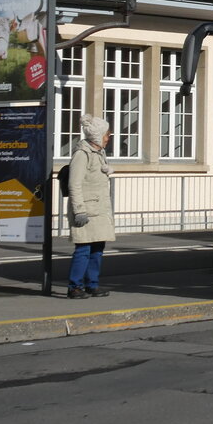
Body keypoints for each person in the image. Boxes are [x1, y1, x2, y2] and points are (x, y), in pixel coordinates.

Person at [66, 114, 116, 299]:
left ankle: (92, 284)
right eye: (106, 134)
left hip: (99, 210)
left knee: (97, 248)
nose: (108, 137)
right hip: (87, 210)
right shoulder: (82, 154)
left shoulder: (99, 153)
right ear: (97, 135)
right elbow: (74, 183)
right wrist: (79, 210)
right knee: (83, 249)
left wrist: (108, 170)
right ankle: (74, 286)